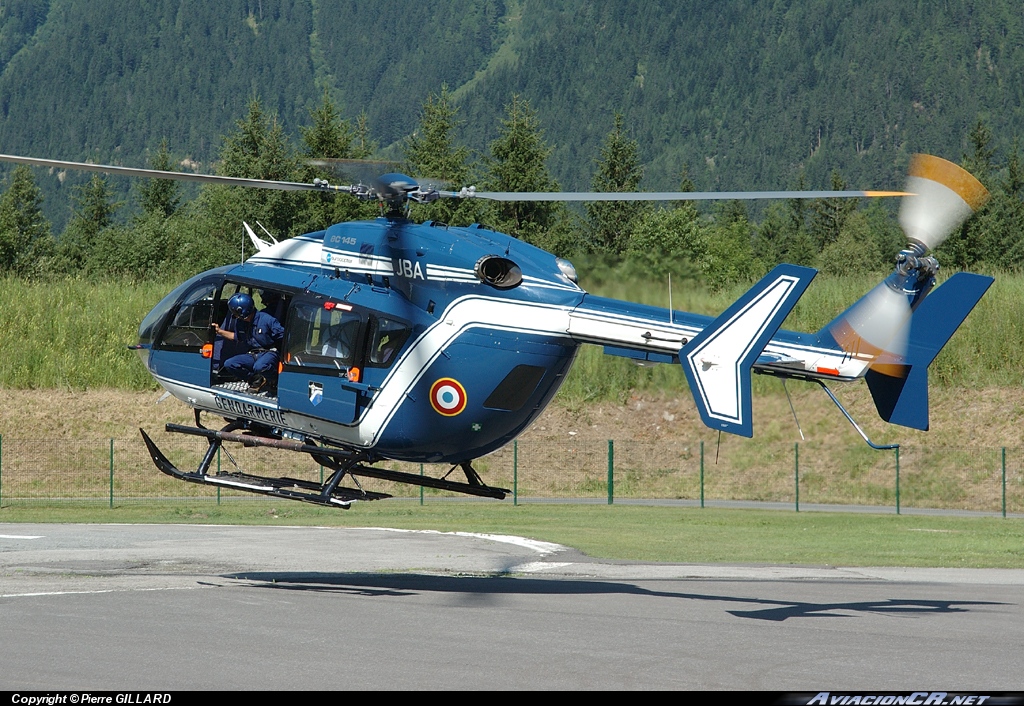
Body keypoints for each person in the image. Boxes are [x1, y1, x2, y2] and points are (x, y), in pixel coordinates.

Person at [212, 292, 285, 394]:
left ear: (242, 311)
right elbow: (236, 337)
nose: (235, 316)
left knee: (259, 366)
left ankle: (274, 381)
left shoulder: (267, 319)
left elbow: (283, 336)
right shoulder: (241, 323)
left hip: (270, 352)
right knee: (230, 364)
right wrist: (219, 331)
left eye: (235, 313)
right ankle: (256, 380)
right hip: (253, 354)